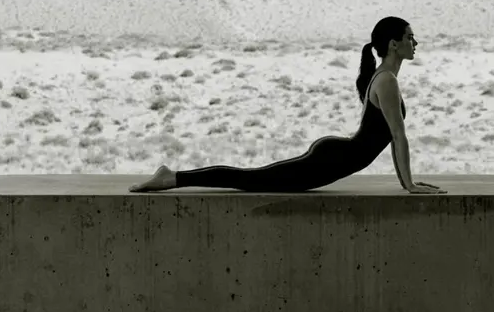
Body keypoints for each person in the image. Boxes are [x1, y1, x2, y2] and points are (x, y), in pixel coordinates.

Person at [128, 16, 445, 194]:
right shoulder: (387, 81)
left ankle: (174, 177)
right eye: (410, 38)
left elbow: (390, 137)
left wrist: (409, 183)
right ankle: (172, 177)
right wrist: (410, 185)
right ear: (394, 44)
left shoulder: (384, 76)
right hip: (333, 159)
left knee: (253, 178)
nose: (415, 44)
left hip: (336, 155)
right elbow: (398, 137)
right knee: (250, 180)